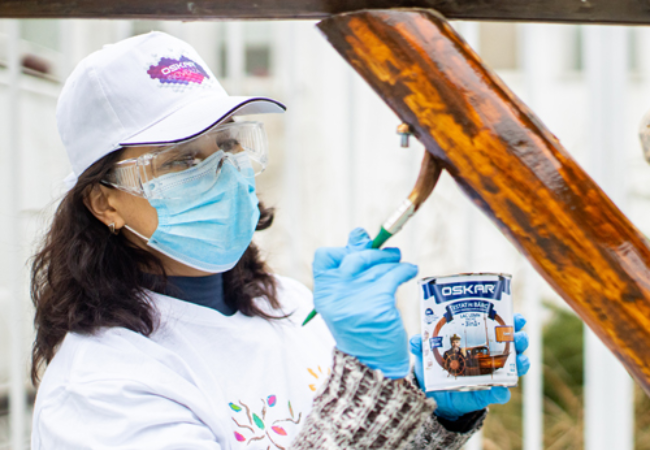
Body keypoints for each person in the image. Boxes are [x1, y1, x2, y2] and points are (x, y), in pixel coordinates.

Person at [29, 31, 530, 450]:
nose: (223, 173)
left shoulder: (290, 307)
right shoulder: (97, 390)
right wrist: (370, 381)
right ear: (105, 203)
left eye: (226, 143)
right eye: (181, 160)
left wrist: (432, 414)